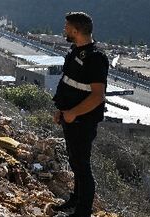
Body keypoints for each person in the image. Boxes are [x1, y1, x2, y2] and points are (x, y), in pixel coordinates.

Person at [51, 12, 108, 217]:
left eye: (67, 27)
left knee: (82, 165)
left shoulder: (95, 58)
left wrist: (73, 113)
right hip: (70, 117)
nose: (64, 30)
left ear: (76, 30)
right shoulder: (76, 51)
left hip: (83, 120)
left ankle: (83, 211)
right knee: (75, 161)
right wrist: (62, 110)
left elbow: (98, 96)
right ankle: (75, 200)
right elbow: (69, 84)